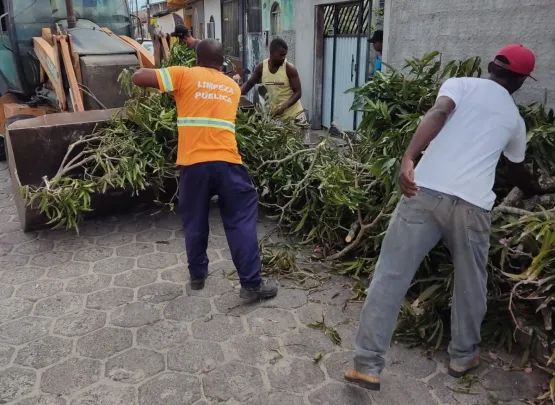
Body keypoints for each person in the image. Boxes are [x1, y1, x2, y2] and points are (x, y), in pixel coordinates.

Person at [344, 44, 543, 391]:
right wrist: (536, 191)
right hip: (472, 209)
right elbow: (516, 172)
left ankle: (367, 365)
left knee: (390, 277)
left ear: (489, 65)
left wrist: (409, 157)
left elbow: (439, 111)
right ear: (521, 82)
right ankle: (463, 356)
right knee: (470, 282)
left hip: (423, 194)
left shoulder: (460, 84)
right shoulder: (515, 120)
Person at [131, 39, 278, 300]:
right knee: (241, 220)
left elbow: (138, 77)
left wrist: (169, 78)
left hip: (193, 164)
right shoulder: (232, 87)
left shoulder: (184, 75)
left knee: (195, 220)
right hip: (228, 162)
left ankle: (198, 276)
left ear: (196, 59)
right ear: (222, 62)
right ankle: (251, 285)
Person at [240, 38, 305, 122]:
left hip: (295, 117)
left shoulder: (289, 69)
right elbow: (249, 84)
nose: (284, 58)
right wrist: (235, 95)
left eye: (285, 55)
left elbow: (298, 92)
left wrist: (284, 107)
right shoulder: (261, 68)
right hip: (277, 117)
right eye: (281, 55)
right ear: (272, 53)